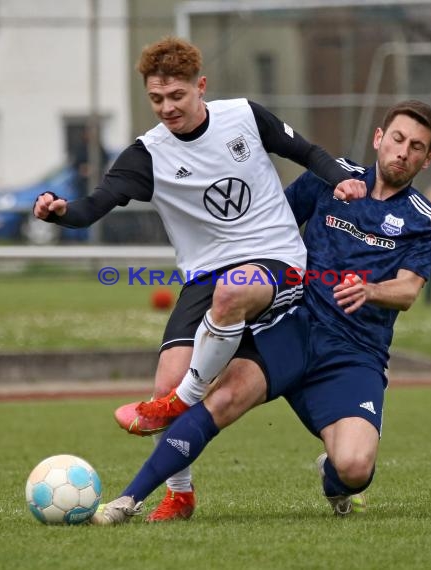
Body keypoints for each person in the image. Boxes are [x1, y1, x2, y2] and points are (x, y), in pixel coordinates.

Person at [33, 36, 365, 521]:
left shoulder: (245, 117)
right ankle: (180, 494)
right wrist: (60, 211)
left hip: (275, 257)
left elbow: (307, 150)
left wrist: (340, 179)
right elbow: (93, 205)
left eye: (176, 96)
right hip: (205, 273)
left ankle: (184, 398)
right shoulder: (147, 154)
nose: (166, 108)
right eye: (156, 98)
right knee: (165, 380)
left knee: (214, 328)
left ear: (200, 87)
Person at [92, 99, 431, 524]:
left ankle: (332, 476)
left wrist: (372, 290)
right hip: (294, 327)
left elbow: (408, 289)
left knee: (354, 468)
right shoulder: (331, 180)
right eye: (398, 139)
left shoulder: (425, 218)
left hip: (355, 354)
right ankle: (126, 501)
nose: (403, 151)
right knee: (220, 400)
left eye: (417, 147)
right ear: (379, 138)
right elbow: (269, 227)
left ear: (428, 159)